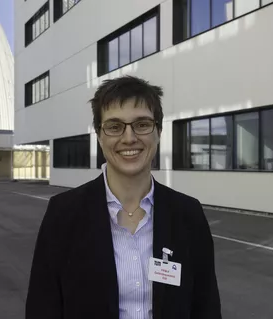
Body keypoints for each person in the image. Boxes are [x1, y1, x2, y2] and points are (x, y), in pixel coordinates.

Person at [25, 76, 221, 319]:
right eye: (115, 126)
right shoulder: (63, 214)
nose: (129, 138)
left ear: (158, 132)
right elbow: (42, 308)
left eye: (142, 124)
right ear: (99, 135)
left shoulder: (188, 214)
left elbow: (206, 307)